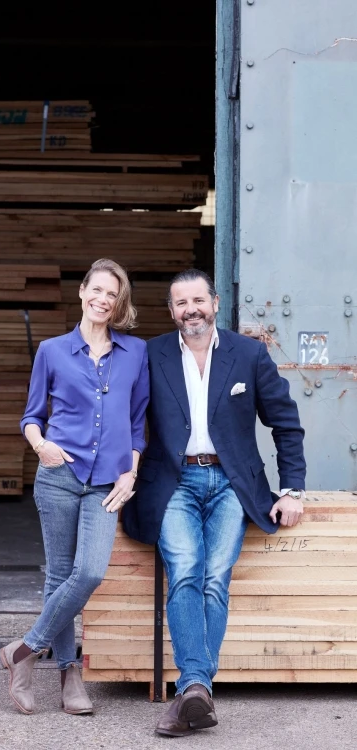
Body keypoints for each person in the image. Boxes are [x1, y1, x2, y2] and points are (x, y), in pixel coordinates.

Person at [122, 269, 306, 738]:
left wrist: (291, 490)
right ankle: (198, 687)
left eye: (198, 300)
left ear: (215, 302)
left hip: (231, 484)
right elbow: (121, 416)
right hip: (173, 481)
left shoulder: (248, 354)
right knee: (186, 568)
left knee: (214, 579)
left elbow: (285, 422)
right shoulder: (151, 353)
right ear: (171, 311)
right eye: (181, 303)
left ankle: (192, 692)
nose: (191, 310)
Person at [0, 258, 149, 716]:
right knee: (59, 576)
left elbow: (139, 421)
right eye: (97, 290)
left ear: (119, 303)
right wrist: (40, 444)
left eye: (112, 295)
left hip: (108, 482)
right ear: (82, 291)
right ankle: (70, 677)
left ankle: (21, 651)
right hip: (59, 476)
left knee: (89, 573)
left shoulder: (136, 352)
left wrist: (132, 471)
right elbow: (30, 415)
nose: (103, 300)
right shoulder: (52, 350)